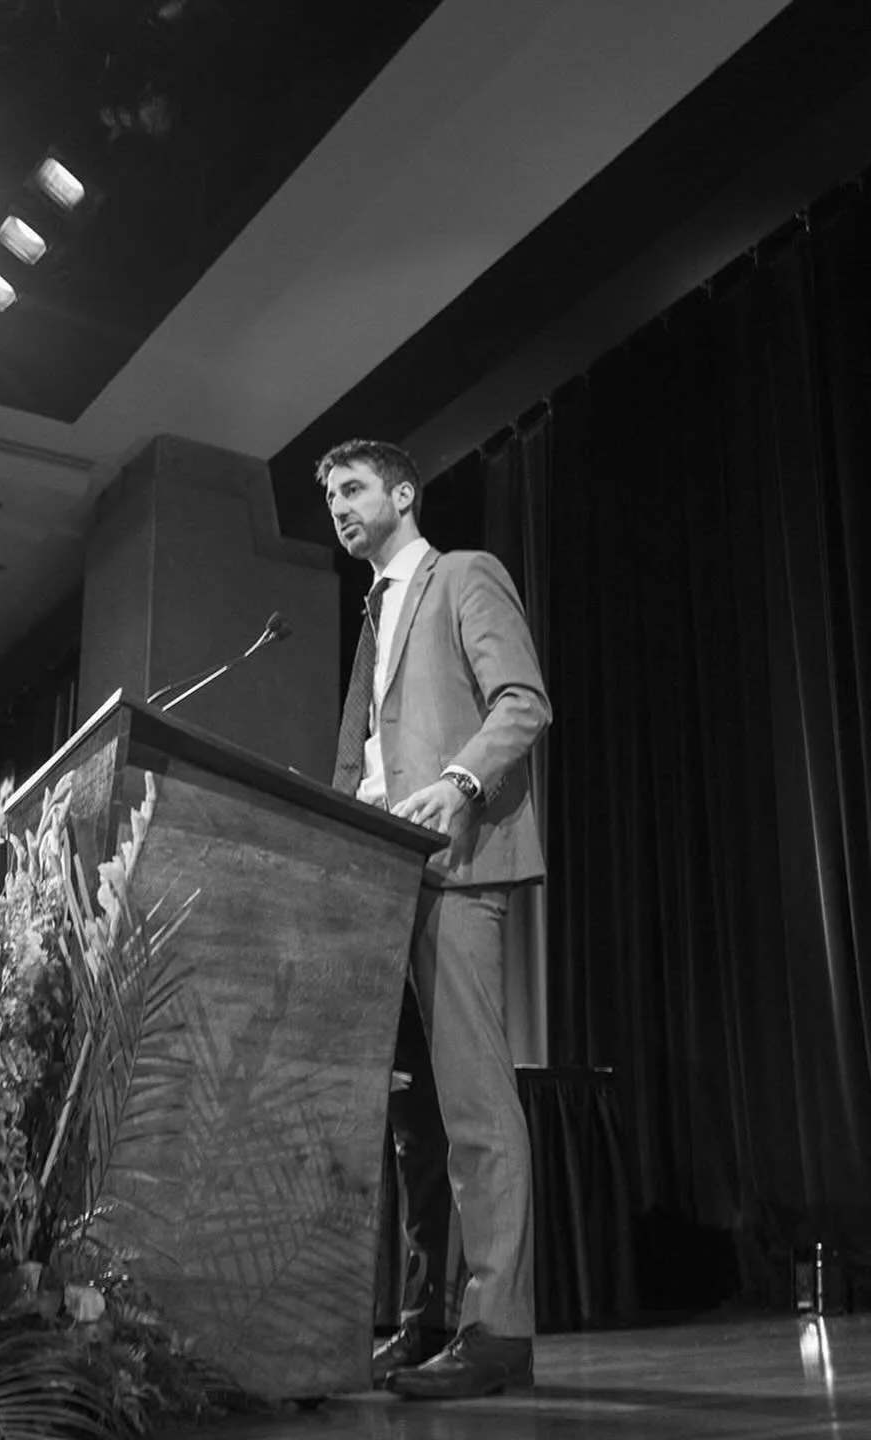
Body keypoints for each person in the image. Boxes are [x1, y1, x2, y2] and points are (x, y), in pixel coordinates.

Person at [319, 438, 550, 1401]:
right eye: (329, 492)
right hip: (379, 880)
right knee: (411, 1123)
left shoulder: (462, 577)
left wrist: (460, 781)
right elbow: (360, 763)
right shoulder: (372, 622)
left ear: (403, 494)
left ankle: (497, 1328)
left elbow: (523, 702)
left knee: (471, 1101)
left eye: (354, 486)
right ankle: (422, 1322)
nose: (338, 503)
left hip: (452, 867)